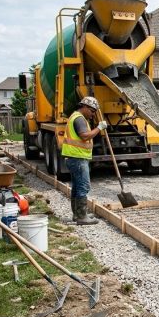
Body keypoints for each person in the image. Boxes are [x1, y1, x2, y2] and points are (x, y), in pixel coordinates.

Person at [62, 96, 106, 225]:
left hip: (74, 157)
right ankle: (82, 217)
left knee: (76, 187)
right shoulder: (79, 119)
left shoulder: (75, 116)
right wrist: (99, 128)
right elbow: (85, 136)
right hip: (78, 158)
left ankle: (78, 215)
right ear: (85, 107)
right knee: (83, 186)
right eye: (92, 111)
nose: (93, 114)